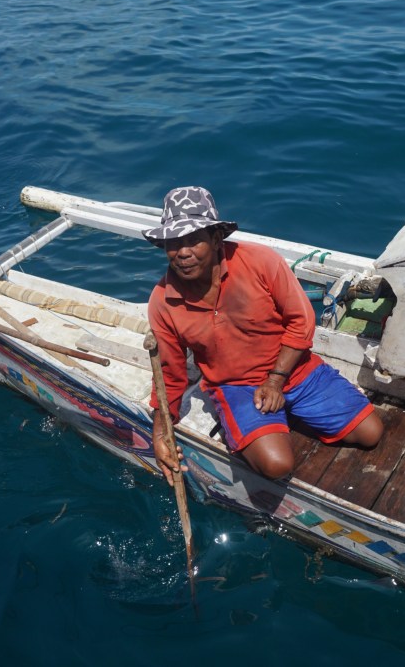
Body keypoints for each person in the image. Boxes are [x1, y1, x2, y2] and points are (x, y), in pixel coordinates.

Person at [143, 186, 383, 485]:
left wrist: (275, 381)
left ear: (216, 238)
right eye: (173, 243)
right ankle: (259, 423)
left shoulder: (260, 261)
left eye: (193, 240)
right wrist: (160, 429)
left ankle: (282, 413)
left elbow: (301, 320)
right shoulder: (162, 300)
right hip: (237, 385)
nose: (182, 253)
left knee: (370, 433)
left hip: (293, 369)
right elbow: (169, 371)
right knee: (277, 465)